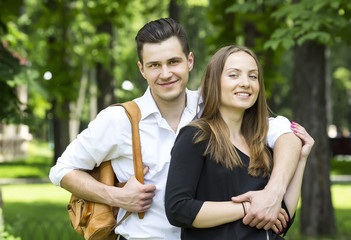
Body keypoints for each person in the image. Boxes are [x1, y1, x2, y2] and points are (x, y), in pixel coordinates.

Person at [49, 18, 302, 240]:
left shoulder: (212, 107)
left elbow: (283, 132)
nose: (166, 73)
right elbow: (62, 170)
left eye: (173, 61)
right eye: (154, 65)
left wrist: (273, 192)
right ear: (142, 69)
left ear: (189, 61)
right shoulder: (121, 120)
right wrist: (116, 196)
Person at [165, 45, 314, 240]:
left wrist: (301, 159)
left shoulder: (261, 143)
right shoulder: (196, 136)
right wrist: (247, 207)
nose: (245, 83)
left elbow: (280, 220)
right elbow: (178, 208)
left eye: (253, 76)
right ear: (211, 83)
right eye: (234, 75)